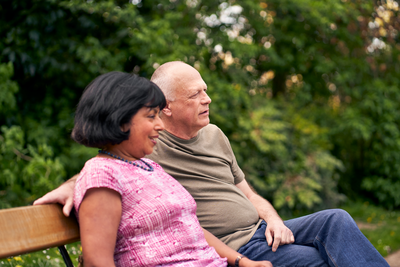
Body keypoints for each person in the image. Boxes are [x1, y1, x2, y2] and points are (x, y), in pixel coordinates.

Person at [35, 62, 389, 267]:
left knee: (336, 220)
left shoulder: (208, 137)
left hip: (258, 234)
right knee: (324, 260)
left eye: (205, 90)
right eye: (195, 95)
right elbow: (104, 166)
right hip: (235, 245)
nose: (207, 99)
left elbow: (247, 193)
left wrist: (274, 218)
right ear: (167, 107)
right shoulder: (148, 150)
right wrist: (72, 185)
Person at [62, 71, 271, 267]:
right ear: (121, 122)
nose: (160, 126)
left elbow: (190, 227)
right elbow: (98, 263)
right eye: (151, 116)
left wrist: (243, 262)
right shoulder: (102, 176)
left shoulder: (149, 167)